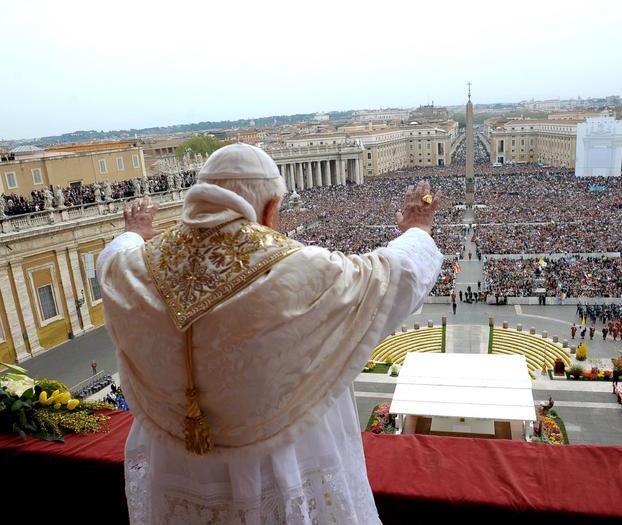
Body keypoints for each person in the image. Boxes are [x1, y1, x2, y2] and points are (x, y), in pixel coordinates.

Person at [98, 144, 444, 524]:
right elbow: (395, 276)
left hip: (180, 468)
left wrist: (133, 234)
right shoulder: (301, 270)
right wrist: (418, 229)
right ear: (269, 209)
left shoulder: (134, 267)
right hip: (276, 466)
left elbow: (111, 259)